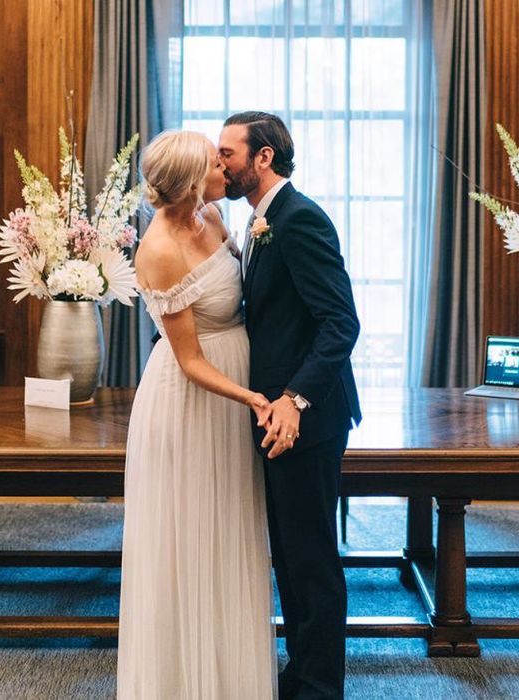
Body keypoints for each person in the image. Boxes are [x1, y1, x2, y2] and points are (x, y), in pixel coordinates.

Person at [117, 130, 277, 699]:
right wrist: (252, 397)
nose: (225, 168)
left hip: (232, 383)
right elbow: (188, 361)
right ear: (191, 180)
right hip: (195, 400)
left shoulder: (211, 214)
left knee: (230, 529)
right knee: (188, 537)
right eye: (216, 162)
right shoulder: (158, 250)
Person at [219, 112, 361, 700]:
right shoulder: (260, 220)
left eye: (227, 152)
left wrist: (295, 399)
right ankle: (300, 674)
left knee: (311, 562)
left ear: (263, 159)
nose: (218, 162)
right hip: (276, 416)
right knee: (292, 558)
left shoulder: (299, 220)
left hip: (307, 418)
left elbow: (340, 323)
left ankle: (320, 688)